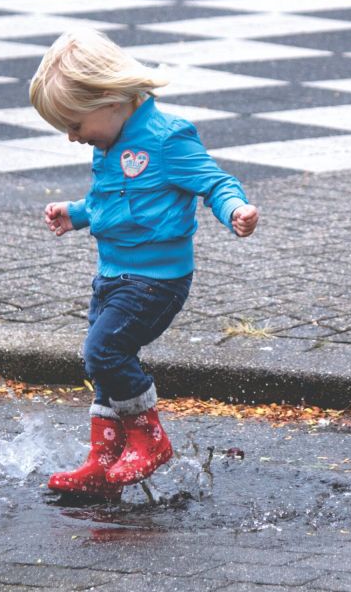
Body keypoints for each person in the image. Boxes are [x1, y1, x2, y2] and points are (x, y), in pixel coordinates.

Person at [29, 28, 259, 500]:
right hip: (112, 275)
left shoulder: (167, 137)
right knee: (105, 364)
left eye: (74, 124)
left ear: (111, 100)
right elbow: (110, 202)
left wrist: (235, 209)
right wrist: (75, 214)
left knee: (103, 352)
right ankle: (104, 457)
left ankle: (150, 439)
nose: (73, 137)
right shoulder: (108, 145)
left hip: (156, 280)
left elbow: (215, 182)